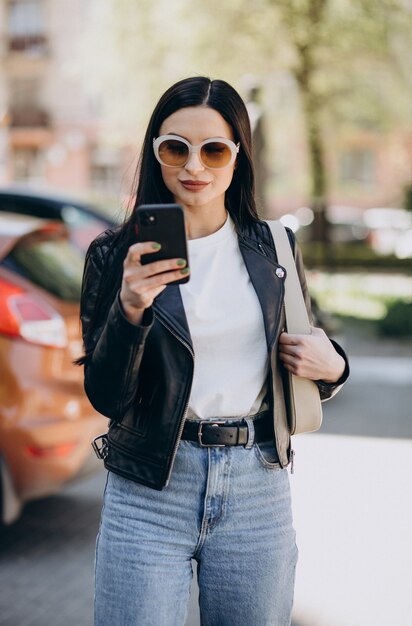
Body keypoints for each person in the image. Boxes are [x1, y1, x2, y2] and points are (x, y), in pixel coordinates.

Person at [78, 76, 349, 626]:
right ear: (156, 152)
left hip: (257, 487)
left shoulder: (273, 246)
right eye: (175, 147)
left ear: (238, 157)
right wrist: (130, 310)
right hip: (150, 487)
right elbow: (106, 395)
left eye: (214, 149)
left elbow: (311, 343)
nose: (193, 167)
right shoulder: (114, 254)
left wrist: (338, 366)